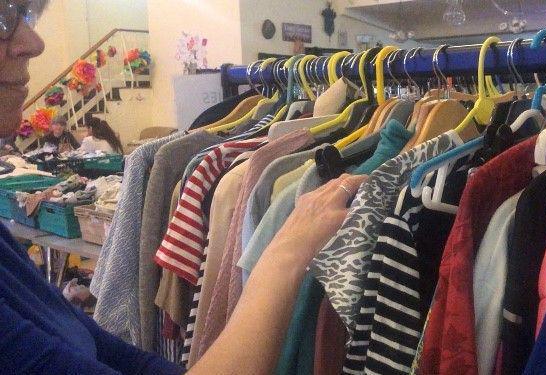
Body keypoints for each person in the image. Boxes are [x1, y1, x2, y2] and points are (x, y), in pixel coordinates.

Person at [0, 1, 367, 374]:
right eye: (3, 18)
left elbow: (112, 352)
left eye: (22, 15)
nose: (33, 42)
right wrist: (287, 251)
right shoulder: (228, 173)